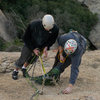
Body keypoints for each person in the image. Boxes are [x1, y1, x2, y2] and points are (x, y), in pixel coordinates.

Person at [34, 30, 87, 94]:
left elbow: (74, 69)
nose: (67, 54)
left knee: (65, 63)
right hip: (72, 37)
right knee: (58, 58)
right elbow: (60, 44)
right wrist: (61, 54)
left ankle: (57, 73)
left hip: (82, 42)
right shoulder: (63, 38)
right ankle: (53, 73)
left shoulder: (77, 53)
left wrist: (70, 87)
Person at [12, 14, 59, 80]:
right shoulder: (33, 25)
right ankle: (15, 71)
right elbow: (25, 38)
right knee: (23, 58)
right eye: (46, 29)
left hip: (41, 46)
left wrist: (46, 47)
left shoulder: (55, 29)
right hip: (30, 43)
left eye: (49, 29)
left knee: (32, 59)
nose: (48, 30)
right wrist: (33, 49)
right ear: (43, 24)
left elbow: (52, 40)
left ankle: (24, 68)